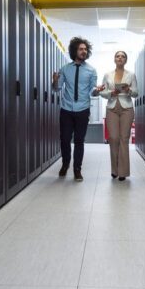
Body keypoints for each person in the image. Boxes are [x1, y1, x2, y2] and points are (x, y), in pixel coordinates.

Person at [52, 37, 98, 181]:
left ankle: (77, 169)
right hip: (66, 109)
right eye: (80, 49)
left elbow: (92, 90)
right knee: (65, 139)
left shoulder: (91, 70)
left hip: (83, 109)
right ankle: (65, 164)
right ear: (74, 51)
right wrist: (54, 81)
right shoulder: (65, 69)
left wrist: (97, 91)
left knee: (79, 140)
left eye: (85, 49)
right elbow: (57, 88)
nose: (84, 51)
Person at [95, 51, 138, 181]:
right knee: (113, 138)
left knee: (124, 139)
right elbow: (102, 92)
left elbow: (136, 93)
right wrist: (110, 93)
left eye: (123, 56)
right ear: (114, 59)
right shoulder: (107, 75)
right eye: (117, 56)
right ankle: (114, 170)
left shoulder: (131, 75)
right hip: (112, 107)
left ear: (126, 60)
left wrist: (129, 90)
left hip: (127, 108)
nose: (120, 58)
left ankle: (123, 172)